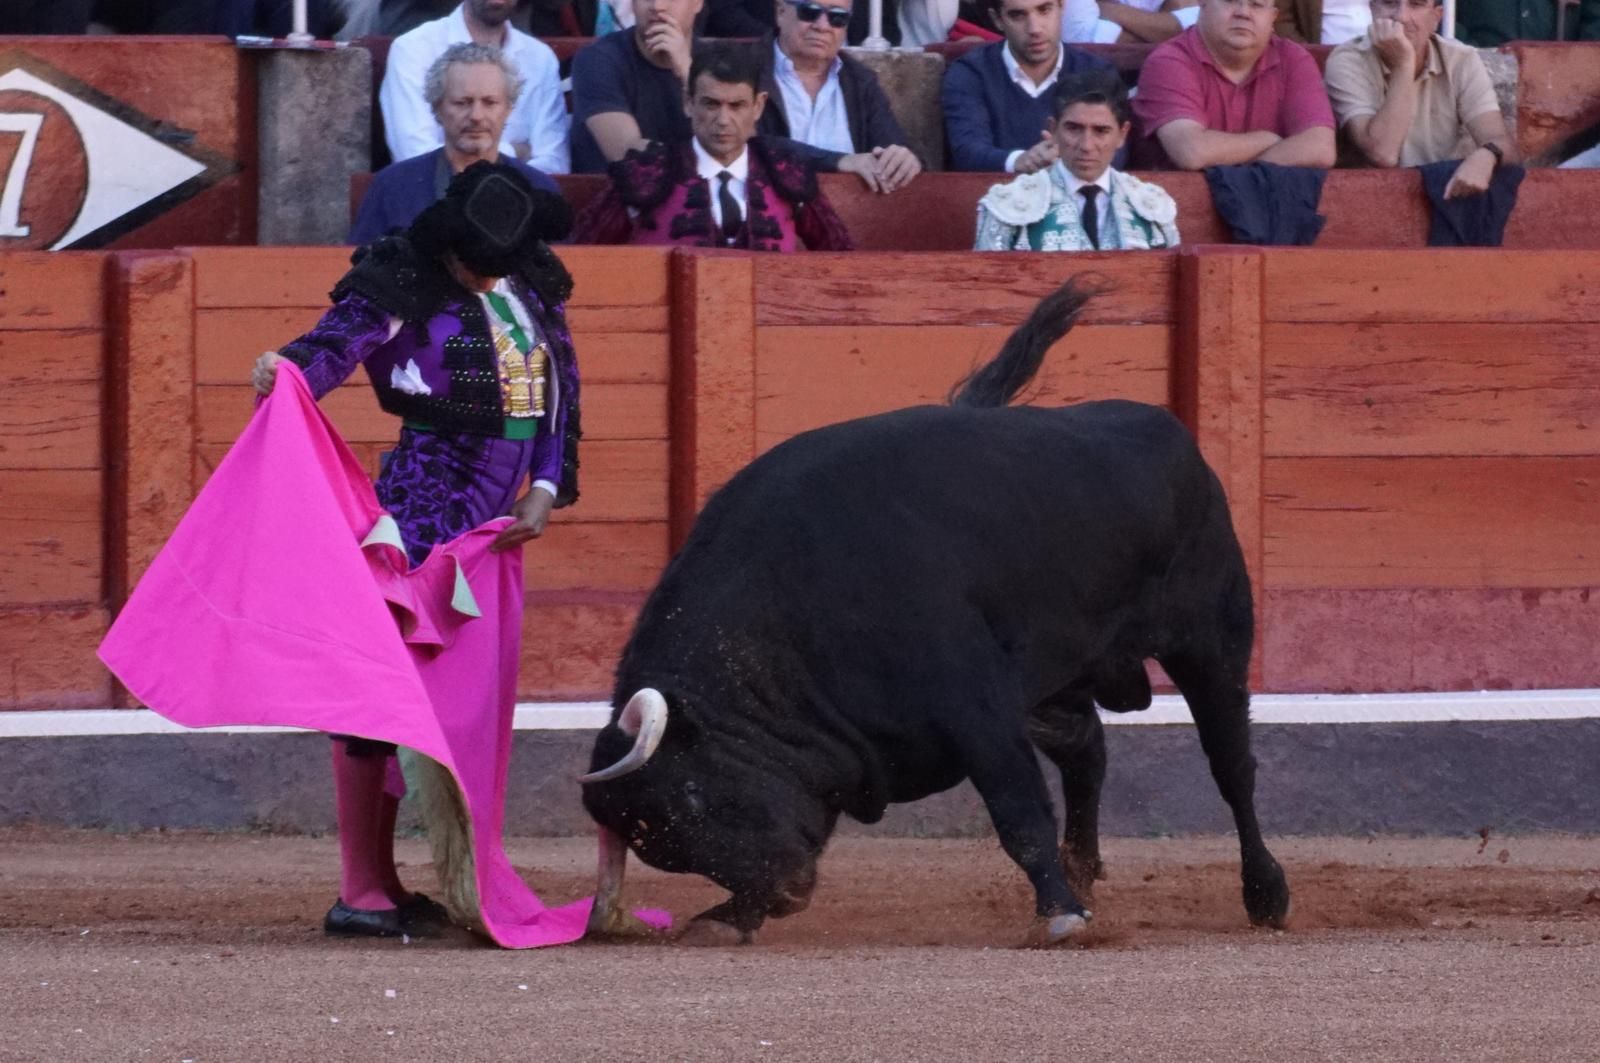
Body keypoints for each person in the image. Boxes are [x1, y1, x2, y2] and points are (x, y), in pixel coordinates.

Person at [249, 161, 580, 937]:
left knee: (463, 699)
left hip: (498, 532)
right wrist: (286, 370)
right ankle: (362, 887)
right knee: (383, 687)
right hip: (426, 512)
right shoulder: (405, 273)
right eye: (471, 259)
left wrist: (546, 481)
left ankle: (411, 876)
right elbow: (331, 348)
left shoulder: (525, 276)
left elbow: (563, 384)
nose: (481, 271)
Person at [573, 44, 854, 249]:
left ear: (758, 106)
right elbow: (580, 254)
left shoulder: (788, 175)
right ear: (688, 103)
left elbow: (841, 257)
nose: (723, 120)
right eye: (710, 104)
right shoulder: (646, 175)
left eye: (737, 105)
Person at [352, 43, 563, 245]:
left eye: (490, 103)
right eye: (462, 103)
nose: (476, 116)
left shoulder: (539, 189)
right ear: (437, 108)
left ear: (508, 109)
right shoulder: (392, 186)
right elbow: (359, 272)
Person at [1324, 0, 1515, 195]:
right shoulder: (1348, 60)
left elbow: (1500, 140)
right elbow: (1383, 154)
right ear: (1372, 9)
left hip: (1438, 196)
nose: (1401, 17)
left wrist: (1488, 154)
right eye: (1389, 3)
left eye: (1415, 4)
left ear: (1436, 17)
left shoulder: (1461, 60)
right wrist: (1403, 64)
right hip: (1367, 199)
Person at [975, 70, 1179, 249]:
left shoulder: (1153, 207)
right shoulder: (1007, 205)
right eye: (1074, 128)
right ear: (1053, 130)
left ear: (1122, 135)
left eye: (1101, 131)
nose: (1086, 145)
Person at [1130, 0, 1336, 169]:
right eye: (1230, 1)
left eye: (1256, 5)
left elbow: (1320, 148)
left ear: (1273, 17)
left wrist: (1240, 177)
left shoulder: (1293, 58)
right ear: (1202, 3)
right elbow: (1192, 152)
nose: (1244, 13)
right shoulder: (1169, 60)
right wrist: (1268, 140)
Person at [380, 0, 570, 173]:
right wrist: (515, 151)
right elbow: (415, 156)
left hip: (520, 203)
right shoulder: (413, 49)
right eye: (462, 102)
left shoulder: (540, 57)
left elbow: (554, 164)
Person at [758, 0, 923, 194]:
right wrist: (839, 161)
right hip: (768, 214)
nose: (822, 26)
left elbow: (893, 146)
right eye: (809, 12)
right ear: (781, 12)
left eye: (837, 17)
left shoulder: (860, 81)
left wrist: (905, 160)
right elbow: (750, 147)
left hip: (850, 217)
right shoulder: (746, 71)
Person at [942, 0, 1121, 173]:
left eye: (1044, 10)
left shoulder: (1097, 72)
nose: (1034, 28)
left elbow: (1116, 150)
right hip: (993, 197)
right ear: (997, 19)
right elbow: (967, 151)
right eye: (1018, 15)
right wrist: (1019, 161)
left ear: (1062, 5)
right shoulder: (972, 73)